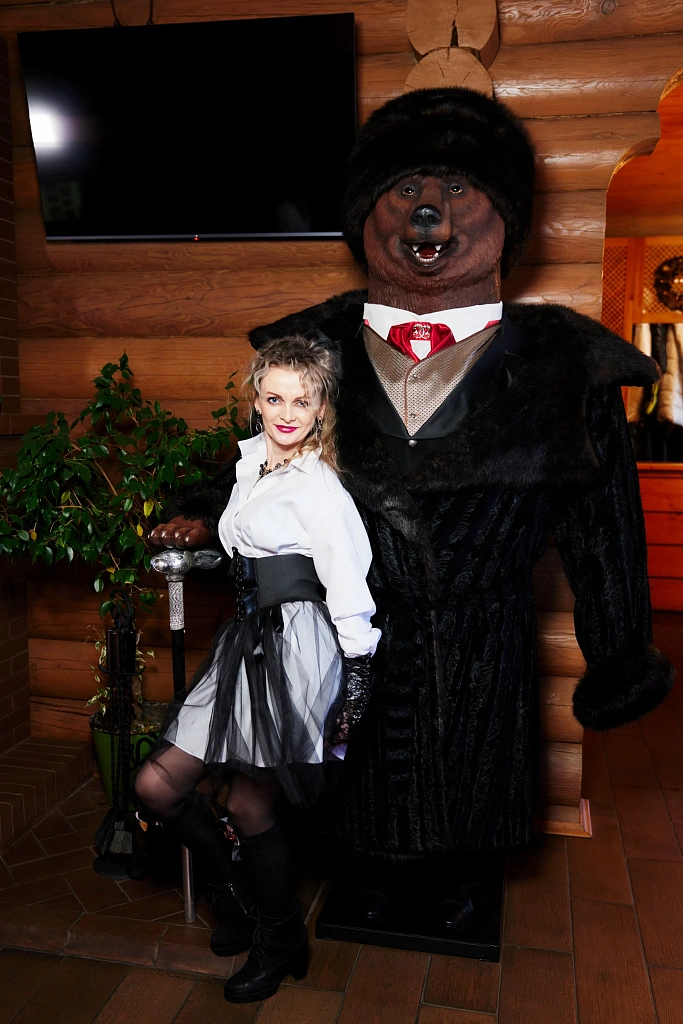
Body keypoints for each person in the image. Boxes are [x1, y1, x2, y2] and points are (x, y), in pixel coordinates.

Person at [153, 89, 674, 920]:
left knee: (470, 783)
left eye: (458, 188)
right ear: (365, 216)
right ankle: (361, 872)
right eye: (404, 189)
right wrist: (203, 510)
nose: (429, 209)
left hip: (484, 638)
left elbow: (604, 527)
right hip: (348, 628)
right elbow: (268, 466)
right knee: (355, 784)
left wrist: (618, 653)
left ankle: (462, 879)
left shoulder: (564, 364)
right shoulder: (309, 350)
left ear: (505, 217)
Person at [136, 335, 380, 1002]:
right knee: (156, 786)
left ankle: (280, 936)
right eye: (275, 398)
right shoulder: (251, 469)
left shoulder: (321, 487)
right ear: (256, 400)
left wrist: (357, 676)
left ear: (322, 407)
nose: (286, 413)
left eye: (302, 401)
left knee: (248, 800)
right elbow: (246, 552)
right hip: (245, 640)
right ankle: (242, 902)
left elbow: (347, 584)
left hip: (297, 647)